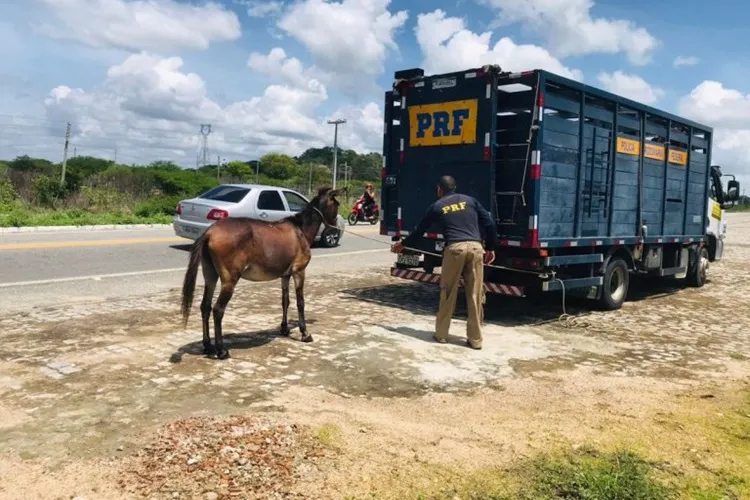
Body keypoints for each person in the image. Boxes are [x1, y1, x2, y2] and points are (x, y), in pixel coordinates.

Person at [391, 175, 497, 350]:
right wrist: (491, 247)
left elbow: (419, 231)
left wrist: (402, 245)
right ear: (454, 188)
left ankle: (441, 335)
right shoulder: (470, 201)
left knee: (448, 291)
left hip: (455, 249)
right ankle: (476, 339)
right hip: (477, 248)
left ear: (439, 189)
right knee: (475, 294)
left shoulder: (438, 206)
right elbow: (489, 224)